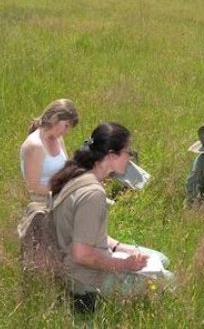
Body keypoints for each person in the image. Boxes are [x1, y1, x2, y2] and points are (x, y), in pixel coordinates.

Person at [49, 122, 172, 310]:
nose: (130, 158)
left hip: (79, 265)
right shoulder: (93, 194)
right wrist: (125, 265)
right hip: (86, 279)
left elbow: (84, 232)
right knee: (170, 280)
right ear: (112, 155)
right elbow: (81, 255)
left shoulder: (76, 175)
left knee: (161, 258)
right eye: (128, 152)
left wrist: (120, 247)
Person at [20, 98, 79, 201]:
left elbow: (66, 168)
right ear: (55, 118)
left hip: (62, 195)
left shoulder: (58, 139)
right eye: (66, 126)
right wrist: (63, 189)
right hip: (44, 202)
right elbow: (33, 187)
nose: (67, 132)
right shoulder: (35, 145)